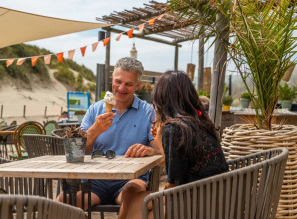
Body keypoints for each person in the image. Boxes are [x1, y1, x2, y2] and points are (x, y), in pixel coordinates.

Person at [118, 71, 229, 219]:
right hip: (215, 200)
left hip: (192, 204)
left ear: (162, 99)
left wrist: (159, 141)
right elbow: (182, 164)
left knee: (131, 202)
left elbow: (173, 183)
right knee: (131, 196)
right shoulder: (201, 123)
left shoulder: (174, 129)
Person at [56, 57, 161, 209]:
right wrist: (95, 130)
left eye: (128, 84)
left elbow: (160, 152)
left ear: (137, 85)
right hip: (95, 180)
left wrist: (150, 150)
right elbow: (75, 152)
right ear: (112, 79)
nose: (121, 88)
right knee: (63, 202)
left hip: (131, 179)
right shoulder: (94, 109)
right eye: (118, 81)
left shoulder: (148, 112)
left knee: (133, 195)